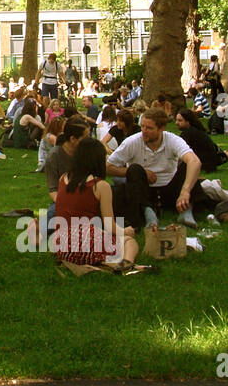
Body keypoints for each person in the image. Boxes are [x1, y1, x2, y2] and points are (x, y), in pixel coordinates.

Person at [105, 108, 203, 228]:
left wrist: (185, 191)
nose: (144, 131)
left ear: (161, 129)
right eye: (142, 126)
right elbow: (108, 167)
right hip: (144, 190)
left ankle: (186, 212)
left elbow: (194, 161)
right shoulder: (132, 142)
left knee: (188, 168)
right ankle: (149, 214)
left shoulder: (172, 140)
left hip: (170, 187)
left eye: (149, 128)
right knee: (135, 170)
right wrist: (143, 173)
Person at [52, 137, 140, 270]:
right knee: (130, 242)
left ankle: (100, 261)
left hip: (61, 245)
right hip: (84, 242)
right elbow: (110, 225)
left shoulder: (63, 178)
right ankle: (124, 265)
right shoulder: (100, 186)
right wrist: (126, 231)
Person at [174, 107, 227, 172]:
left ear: (188, 122)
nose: (176, 123)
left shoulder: (188, 133)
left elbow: (178, 153)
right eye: (176, 120)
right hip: (210, 163)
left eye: (180, 120)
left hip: (204, 164)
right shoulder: (197, 131)